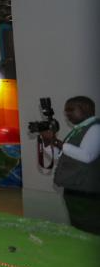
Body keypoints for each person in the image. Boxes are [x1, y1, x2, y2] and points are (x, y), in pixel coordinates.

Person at [41, 95, 100, 234]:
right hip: (75, 187)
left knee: (91, 227)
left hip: (87, 191)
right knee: (78, 225)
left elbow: (87, 156)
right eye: (66, 111)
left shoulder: (96, 128)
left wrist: (57, 142)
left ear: (85, 109)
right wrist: (47, 142)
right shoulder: (79, 129)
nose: (67, 114)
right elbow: (61, 155)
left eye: (71, 110)